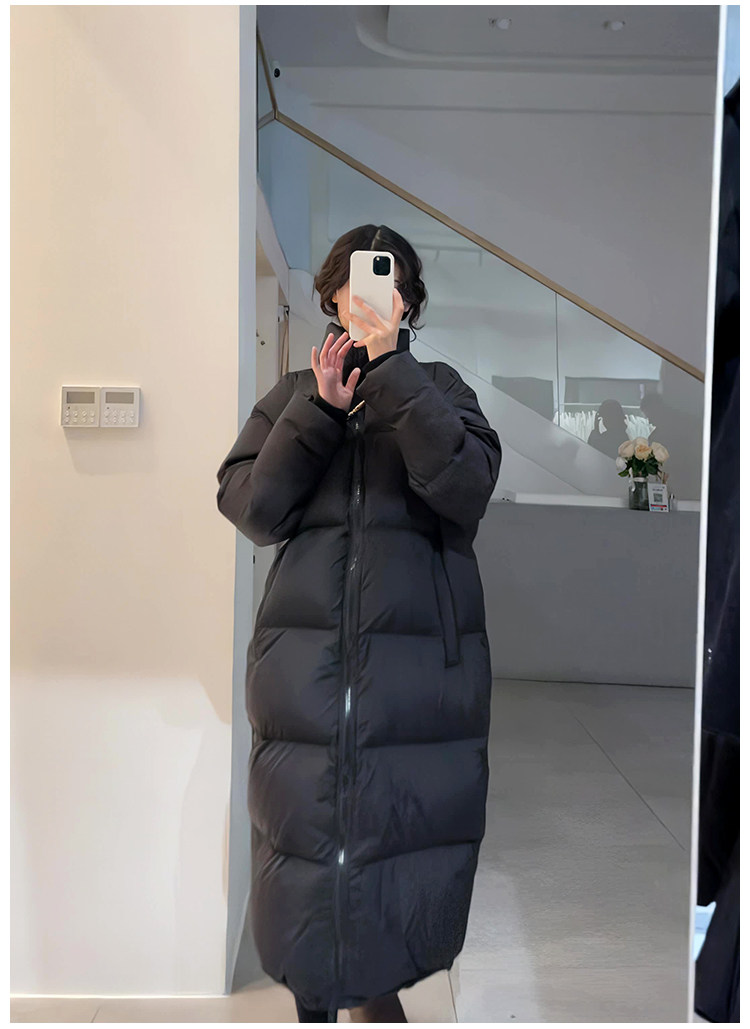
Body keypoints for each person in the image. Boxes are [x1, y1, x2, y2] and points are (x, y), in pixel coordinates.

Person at [216, 224, 502, 1022]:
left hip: (416, 680)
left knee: (395, 856)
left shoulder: (439, 388)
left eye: (390, 281)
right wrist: (319, 410)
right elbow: (253, 508)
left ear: (407, 302)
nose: (372, 294)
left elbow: (467, 488)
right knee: (306, 853)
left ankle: (378, 997)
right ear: (333, 298)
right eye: (355, 281)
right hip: (304, 679)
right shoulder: (293, 394)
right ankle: (317, 996)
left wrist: (394, 380)